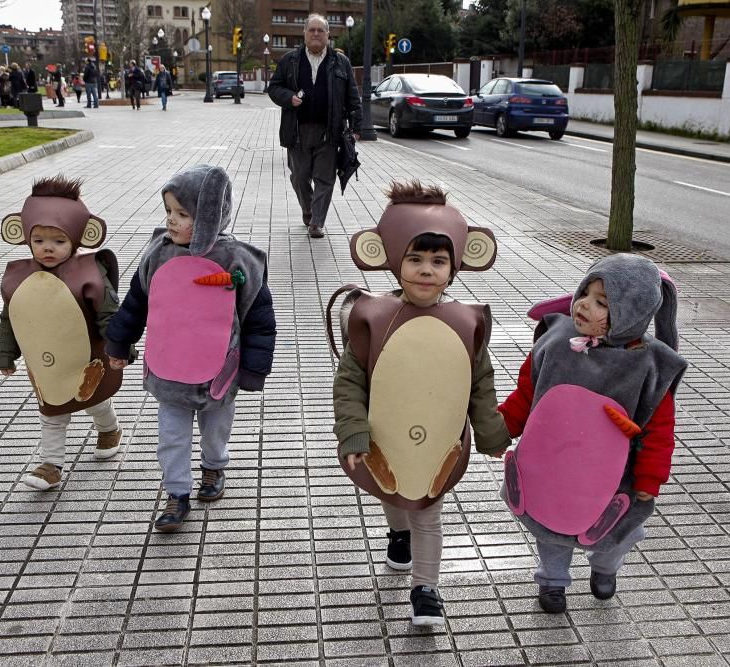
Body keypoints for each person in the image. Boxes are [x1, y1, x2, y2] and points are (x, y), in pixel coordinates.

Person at [331, 181, 509, 625]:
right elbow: (349, 381)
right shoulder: (371, 316)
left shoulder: (467, 321)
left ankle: (425, 588)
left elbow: (479, 382)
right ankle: (397, 533)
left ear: (456, 266)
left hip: (438, 441)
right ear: (390, 258)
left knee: (428, 504)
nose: (425, 270)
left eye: (437, 260)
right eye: (414, 258)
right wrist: (353, 429)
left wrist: (489, 430)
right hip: (384, 435)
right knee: (392, 492)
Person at [498, 254, 688, 614]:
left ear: (631, 312)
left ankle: (605, 567)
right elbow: (528, 394)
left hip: (613, 475)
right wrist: (501, 427)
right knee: (550, 523)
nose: (584, 305)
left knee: (613, 530)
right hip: (553, 463)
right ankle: (552, 581)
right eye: (584, 293)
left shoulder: (648, 365)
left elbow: (659, 431)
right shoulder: (557, 342)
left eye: (602, 302)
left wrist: (650, 477)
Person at [106, 165, 276, 532]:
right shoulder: (158, 254)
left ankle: (214, 468)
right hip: (168, 367)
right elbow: (136, 303)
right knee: (171, 435)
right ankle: (176, 494)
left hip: (218, 370)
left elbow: (259, 319)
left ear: (209, 217)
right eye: (168, 211)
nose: (171, 220)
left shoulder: (237, 260)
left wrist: (254, 368)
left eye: (182, 214)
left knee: (216, 430)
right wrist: (119, 341)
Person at [0, 176, 125, 491]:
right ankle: (51, 466)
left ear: (77, 240)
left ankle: (109, 429)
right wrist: (6, 353)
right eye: (39, 240)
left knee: (94, 398)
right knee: (52, 410)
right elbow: (11, 317)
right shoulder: (19, 277)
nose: (47, 248)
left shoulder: (89, 274)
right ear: (26, 237)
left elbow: (109, 313)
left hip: (86, 355)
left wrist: (120, 345)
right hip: (46, 361)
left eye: (58, 241)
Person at [267, 14, 362, 239]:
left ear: (328, 35)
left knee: (324, 179)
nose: (316, 34)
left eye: (321, 30)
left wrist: (356, 127)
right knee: (299, 177)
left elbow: (352, 96)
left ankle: (317, 222)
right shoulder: (290, 60)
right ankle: (308, 209)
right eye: (312, 30)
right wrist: (289, 97)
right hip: (297, 131)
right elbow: (274, 88)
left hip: (329, 131)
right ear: (305, 34)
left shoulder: (341, 62)